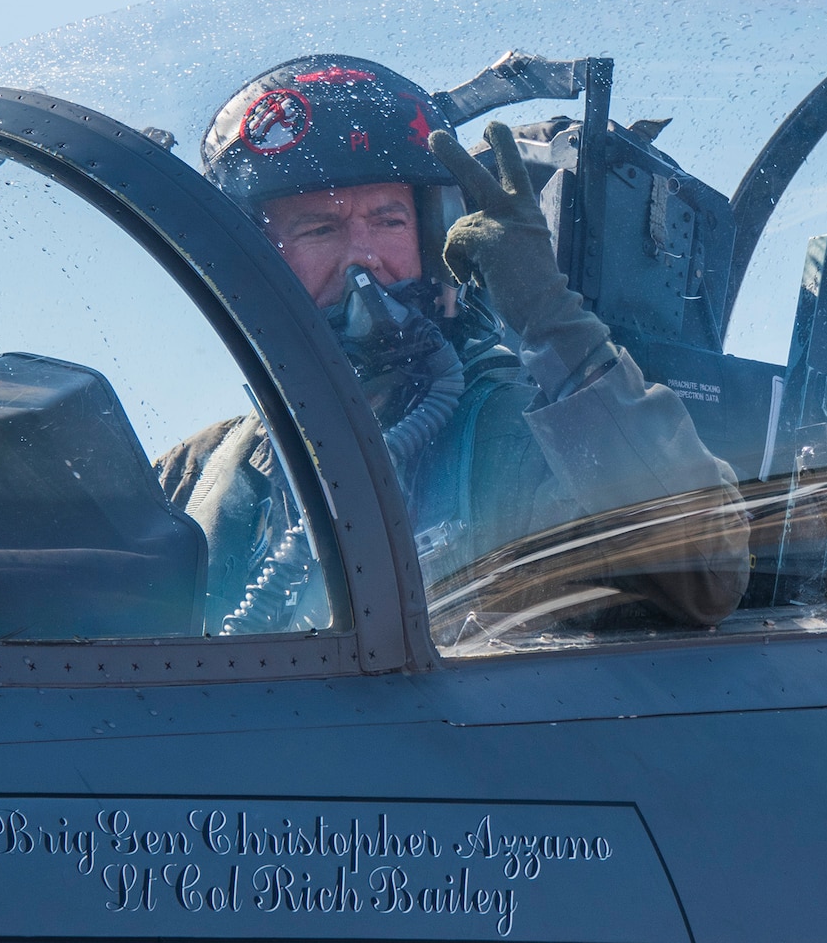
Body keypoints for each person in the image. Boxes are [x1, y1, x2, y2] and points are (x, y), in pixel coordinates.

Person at [156, 54, 749, 637]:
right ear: (256, 263)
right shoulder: (199, 472)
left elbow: (704, 572)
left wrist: (551, 319)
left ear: (434, 234)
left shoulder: (508, 438)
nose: (364, 256)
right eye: (320, 229)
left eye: (389, 221)